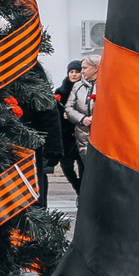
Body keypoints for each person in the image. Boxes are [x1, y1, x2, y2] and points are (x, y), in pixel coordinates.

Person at [54, 59, 85, 187]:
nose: (73, 74)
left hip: (81, 132)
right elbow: (55, 112)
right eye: (71, 72)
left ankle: (82, 192)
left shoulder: (86, 90)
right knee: (66, 166)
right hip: (65, 135)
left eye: (76, 72)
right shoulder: (60, 92)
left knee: (82, 165)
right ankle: (77, 187)